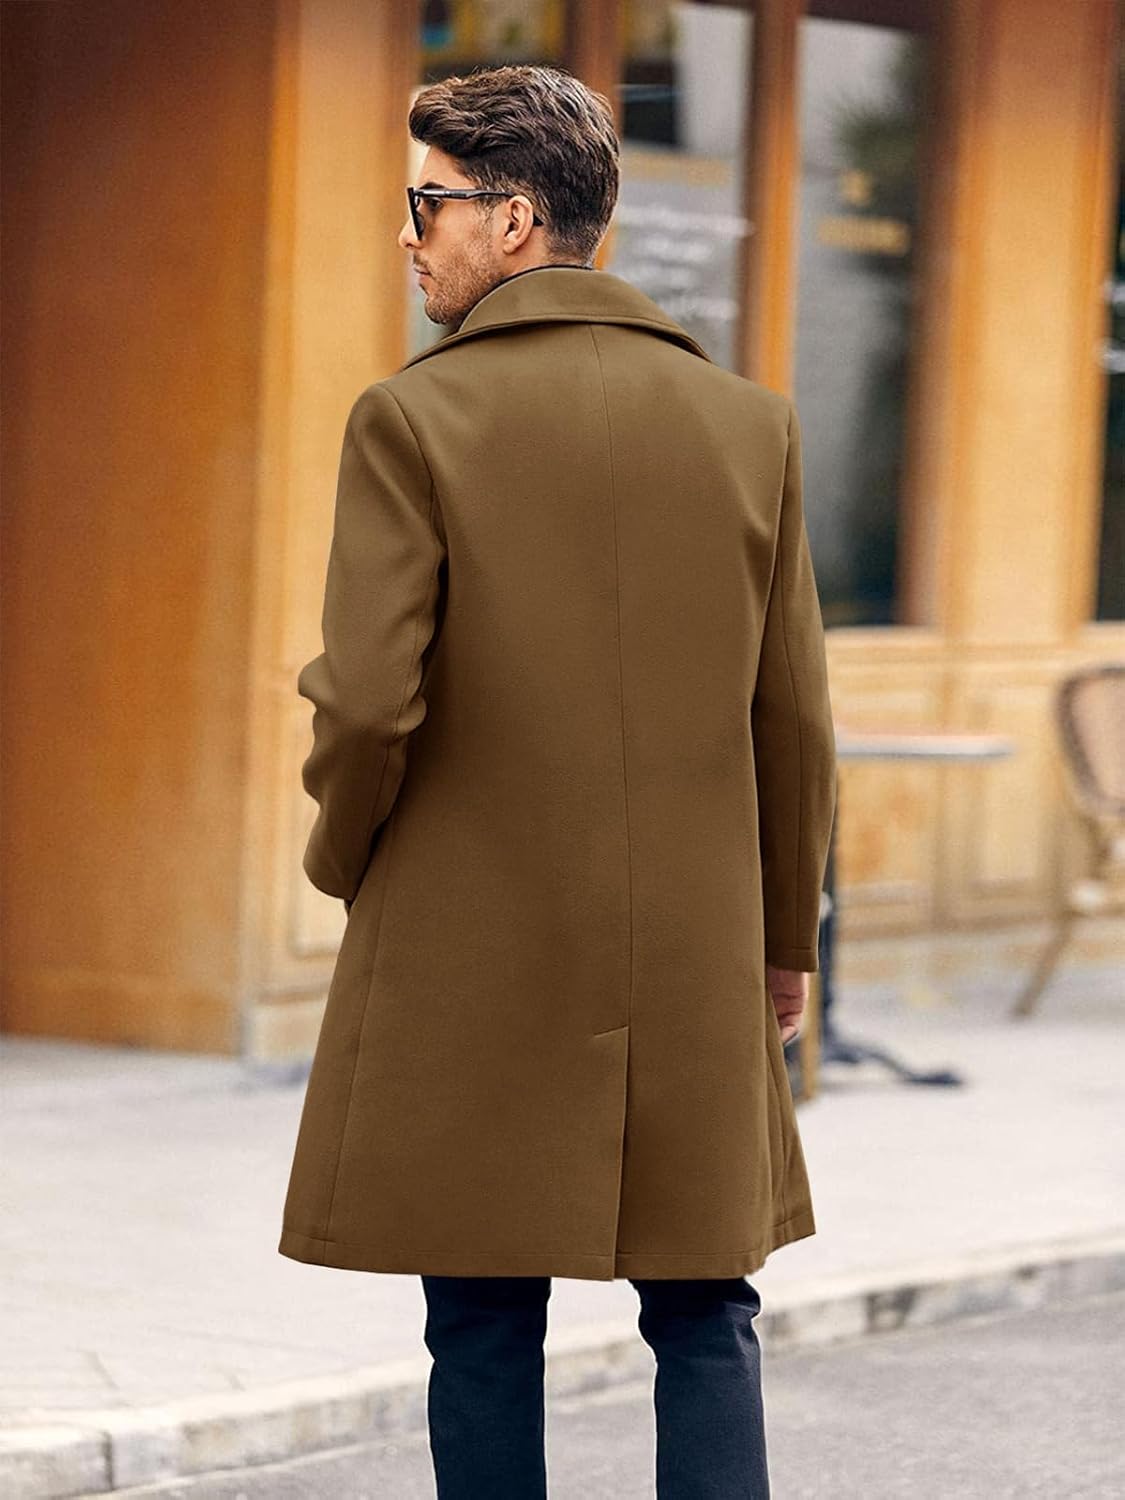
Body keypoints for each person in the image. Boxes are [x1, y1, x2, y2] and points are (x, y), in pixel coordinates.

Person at [278, 62, 836, 1500]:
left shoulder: (413, 419)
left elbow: (369, 701)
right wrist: (785, 941)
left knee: (479, 1321)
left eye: (427, 205)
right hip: (692, 949)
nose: (408, 235)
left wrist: (344, 859)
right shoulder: (749, 423)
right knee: (706, 1313)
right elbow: (791, 719)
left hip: (470, 940)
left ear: (512, 217)